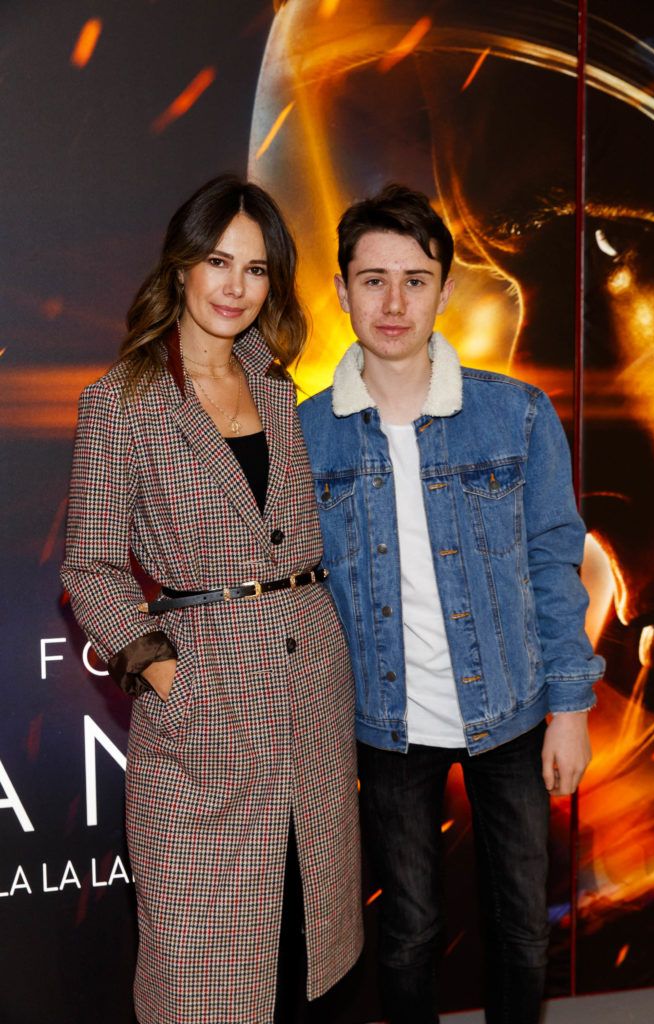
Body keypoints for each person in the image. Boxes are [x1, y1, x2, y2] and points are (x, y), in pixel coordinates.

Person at [298, 184, 604, 1024]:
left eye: (414, 279)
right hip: (383, 725)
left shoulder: (515, 414)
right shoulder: (306, 435)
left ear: (442, 287)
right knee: (405, 933)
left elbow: (551, 564)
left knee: (517, 930)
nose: (393, 302)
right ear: (340, 290)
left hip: (509, 710)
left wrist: (570, 707)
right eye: (372, 279)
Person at [60, 174, 362, 1024]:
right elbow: (90, 569)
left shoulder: (279, 389)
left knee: (311, 956)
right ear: (181, 268)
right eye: (218, 261)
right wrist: (170, 682)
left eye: (257, 269)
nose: (236, 286)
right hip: (203, 712)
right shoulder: (123, 401)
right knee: (206, 978)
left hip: (310, 699)